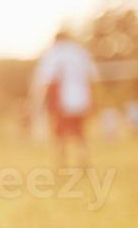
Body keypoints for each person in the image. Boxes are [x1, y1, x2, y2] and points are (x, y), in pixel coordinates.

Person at [31, 30, 99, 167]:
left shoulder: (53, 53)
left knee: (59, 134)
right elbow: (92, 76)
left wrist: (40, 101)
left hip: (61, 100)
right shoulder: (80, 52)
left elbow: (46, 79)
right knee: (80, 132)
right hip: (81, 99)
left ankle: (62, 163)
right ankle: (83, 161)